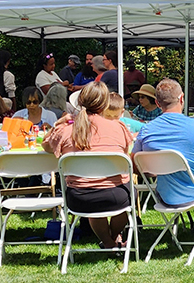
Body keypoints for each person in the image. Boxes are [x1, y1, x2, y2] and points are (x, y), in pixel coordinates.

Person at [43, 81, 134, 249]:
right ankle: (111, 240)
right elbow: (126, 152)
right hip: (117, 197)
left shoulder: (66, 130)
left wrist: (58, 123)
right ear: (106, 103)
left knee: (93, 191)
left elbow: (46, 146)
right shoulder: (119, 127)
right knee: (127, 193)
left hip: (79, 198)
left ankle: (108, 242)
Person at [132, 79, 194, 228]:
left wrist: (154, 173)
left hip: (167, 196)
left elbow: (135, 166)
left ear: (158, 104)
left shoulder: (146, 131)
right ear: (181, 98)